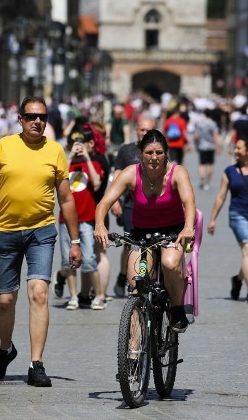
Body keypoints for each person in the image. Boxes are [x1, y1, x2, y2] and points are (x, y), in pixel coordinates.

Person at [0, 96, 82, 388]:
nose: (37, 122)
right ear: (20, 119)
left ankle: (36, 364)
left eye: (42, 117)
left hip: (41, 232)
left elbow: (67, 198)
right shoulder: (4, 147)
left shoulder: (56, 151)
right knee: (5, 301)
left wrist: (75, 240)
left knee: (39, 294)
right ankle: (6, 349)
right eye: (31, 116)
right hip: (6, 232)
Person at [93, 129, 196, 332]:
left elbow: (189, 202)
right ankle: (132, 352)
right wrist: (99, 225)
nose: (154, 158)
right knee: (136, 285)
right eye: (149, 152)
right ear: (141, 153)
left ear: (166, 153)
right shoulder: (130, 173)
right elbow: (104, 202)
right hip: (142, 235)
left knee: (169, 263)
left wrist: (187, 228)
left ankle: (177, 308)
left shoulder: (177, 172)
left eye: (159, 152)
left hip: (172, 233)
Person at [208, 137, 248, 303]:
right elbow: (221, 197)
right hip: (237, 215)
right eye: (235, 148)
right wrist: (212, 219)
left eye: (239, 148)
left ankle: (238, 279)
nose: (236, 151)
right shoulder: (229, 171)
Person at [108, 116, 156, 297]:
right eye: (142, 130)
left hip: (153, 206)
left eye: (148, 130)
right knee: (132, 244)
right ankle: (126, 276)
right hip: (130, 205)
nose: (144, 133)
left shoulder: (158, 150)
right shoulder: (126, 151)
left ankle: (147, 276)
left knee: (152, 244)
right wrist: (115, 200)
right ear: (136, 130)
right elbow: (117, 176)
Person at [58, 126, 104, 310]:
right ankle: (73, 297)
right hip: (65, 220)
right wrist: (69, 157)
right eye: (74, 144)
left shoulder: (93, 164)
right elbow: (58, 178)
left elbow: (97, 182)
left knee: (90, 258)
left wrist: (87, 157)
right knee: (67, 260)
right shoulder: (65, 163)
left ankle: (99, 295)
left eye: (81, 143)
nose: (78, 147)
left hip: (86, 218)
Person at [191, 109, 221, 191]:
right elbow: (215, 135)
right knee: (210, 164)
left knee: (202, 163)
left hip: (202, 146)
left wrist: (195, 143)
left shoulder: (200, 123)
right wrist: (218, 146)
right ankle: (207, 183)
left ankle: (202, 176)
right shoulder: (213, 123)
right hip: (211, 146)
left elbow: (196, 135)